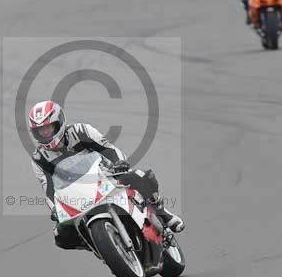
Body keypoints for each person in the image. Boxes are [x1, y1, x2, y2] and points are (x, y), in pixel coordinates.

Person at [27, 100, 185, 250]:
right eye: (41, 130)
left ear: (59, 122)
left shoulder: (81, 131)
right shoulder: (39, 158)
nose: (46, 133)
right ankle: (97, 243)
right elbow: (48, 188)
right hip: (75, 193)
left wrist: (119, 163)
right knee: (61, 236)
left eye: (49, 127)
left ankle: (162, 212)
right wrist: (55, 209)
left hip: (105, 174)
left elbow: (108, 148)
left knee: (143, 175)